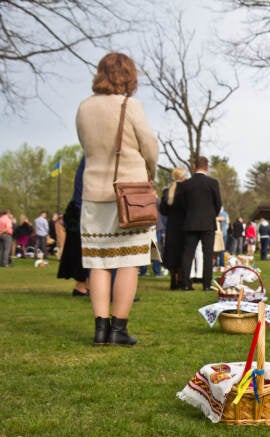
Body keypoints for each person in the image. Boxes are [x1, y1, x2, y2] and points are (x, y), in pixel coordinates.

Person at [76, 52, 158, 346]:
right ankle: (119, 329)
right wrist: (149, 170)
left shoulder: (84, 107)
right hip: (130, 192)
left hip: (94, 191)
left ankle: (101, 328)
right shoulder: (130, 105)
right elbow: (148, 144)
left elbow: (86, 145)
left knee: (97, 261)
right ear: (129, 76)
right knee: (130, 260)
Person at [176, 156, 221, 291]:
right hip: (208, 222)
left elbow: (182, 204)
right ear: (207, 167)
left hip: (191, 222)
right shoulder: (213, 183)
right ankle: (206, 284)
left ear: (194, 166)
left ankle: (185, 283)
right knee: (207, 254)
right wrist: (212, 215)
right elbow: (218, 203)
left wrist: (189, 213)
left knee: (188, 253)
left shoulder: (186, 184)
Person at [57, 157, 89, 296]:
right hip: (83, 210)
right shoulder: (90, 158)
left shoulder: (87, 158)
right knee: (82, 250)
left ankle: (84, 284)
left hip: (81, 209)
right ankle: (82, 284)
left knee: (81, 249)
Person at [159, 167, 186, 290]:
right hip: (184, 226)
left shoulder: (167, 191)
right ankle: (181, 280)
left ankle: (172, 280)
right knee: (182, 253)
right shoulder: (187, 191)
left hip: (171, 226)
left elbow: (163, 211)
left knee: (171, 253)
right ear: (183, 176)